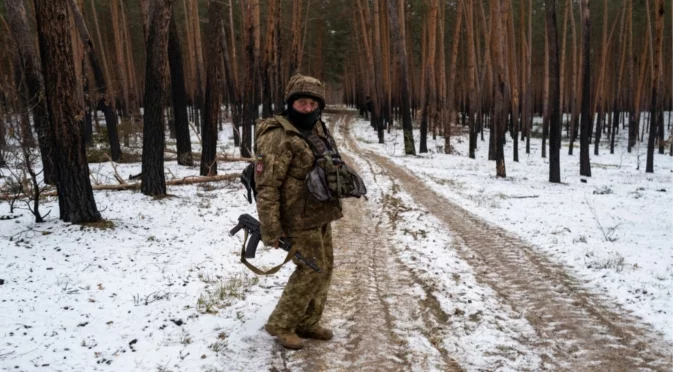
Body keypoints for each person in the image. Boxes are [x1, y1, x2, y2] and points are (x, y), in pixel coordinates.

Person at [254, 74, 343, 350]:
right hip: (296, 219)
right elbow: (267, 187)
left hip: (319, 213)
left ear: (319, 106)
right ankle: (282, 324)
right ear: (290, 103)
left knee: (324, 269)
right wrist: (271, 228)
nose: (307, 108)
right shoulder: (278, 136)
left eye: (312, 103)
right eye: (301, 102)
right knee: (310, 270)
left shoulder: (317, 129)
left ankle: (307, 321)